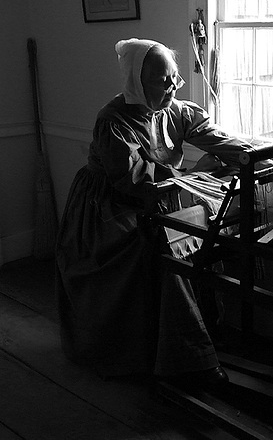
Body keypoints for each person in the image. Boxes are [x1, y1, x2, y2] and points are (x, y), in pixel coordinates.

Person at [55, 37, 253, 387]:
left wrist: (263, 158)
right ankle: (184, 360)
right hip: (107, 208)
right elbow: (135, 181)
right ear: (136, 82)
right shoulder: (113, 121)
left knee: (200, 240)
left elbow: (220, 140)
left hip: (156, 200)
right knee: (154, 250)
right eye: (163, 80)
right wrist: (198, 176)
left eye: (174, 77)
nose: (174, 86)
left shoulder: (177, 110)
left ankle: (199, 339)